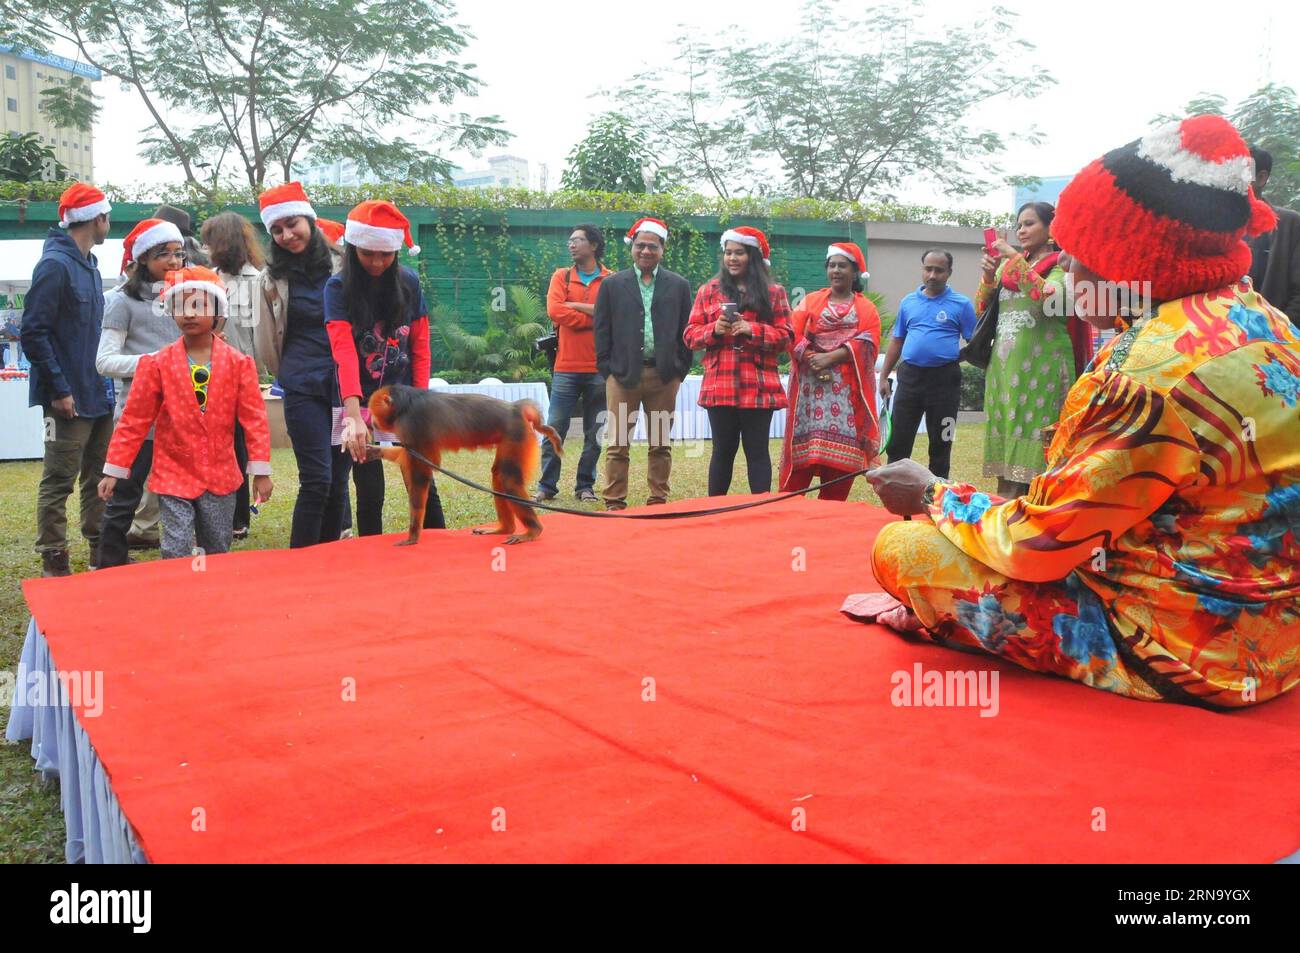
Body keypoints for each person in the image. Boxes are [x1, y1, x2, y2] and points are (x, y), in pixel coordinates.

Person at [863, 115, 1300, 708]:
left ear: (1124, 261)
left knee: (902, 549)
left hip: (1184, 649)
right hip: (1281, 638)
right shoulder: (1270, 324)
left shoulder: (1144, 373)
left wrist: (932, 493)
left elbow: (1037, 546)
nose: (1066, 270)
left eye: (1075, 254)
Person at [99, 267, 272, 559]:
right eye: (180, 305)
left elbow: (254, 419)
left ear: (218, 310)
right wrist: (114, 470)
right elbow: (133, 420)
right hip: (173, 472)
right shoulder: (157, 364)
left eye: (199, 305)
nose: (189, 313)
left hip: (221, 474)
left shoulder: (239, 363)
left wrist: (260, 471)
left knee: (216, 547)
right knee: (176, 547)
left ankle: (213, 599)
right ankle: (178, 600)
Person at [328, 200, 445, 535]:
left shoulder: (408, 283)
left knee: (420, 476)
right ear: (353, 249)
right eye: (367, 254)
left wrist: (422, 402)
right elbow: (343, 352)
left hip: (403, 396)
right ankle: (370, 556)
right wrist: (353, 414)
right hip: (359, 396)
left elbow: (421, 346)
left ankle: (439, 545)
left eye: (385, 254)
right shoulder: (337, 288)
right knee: (368, 487)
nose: (377, 262)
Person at [21, 183, 115, 577]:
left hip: (98, 393)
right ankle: (54, 558)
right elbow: (33, 332)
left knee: (101, 477)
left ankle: (100, 549)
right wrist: (59, 389)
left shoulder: (89, 264)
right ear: (97, 218)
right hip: (66, 397)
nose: (108, 222)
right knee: (59, 478)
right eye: (108, 216)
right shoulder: (55, 265)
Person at [252, 182, 347, 548]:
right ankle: (301, 562)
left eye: (292, 224)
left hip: (343, 387)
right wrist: (287, 374)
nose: (286, 235)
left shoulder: (343, 264)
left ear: (308, 218)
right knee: (317, 479)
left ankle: (330, 557)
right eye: (276, 230)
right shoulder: (271, 278)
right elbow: (266, 339)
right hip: (302, 385)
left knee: (339, 479)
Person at [94, 218, 185, 568]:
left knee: (180, 493)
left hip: (182, 413)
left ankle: (178, 561)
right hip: (139, 416)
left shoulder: (185, 294)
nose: (174, 262)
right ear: (144, 258)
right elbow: (104, 361)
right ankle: (109, 564)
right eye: (165, 254)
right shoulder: (121, 300)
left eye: (179, 254)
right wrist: (157, 362)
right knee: (125, 495)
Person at [683, 226, 793, 496]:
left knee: (757, 450)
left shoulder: (774, 292)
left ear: (752, 256)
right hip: (720, 385)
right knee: (722, 449)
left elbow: (788, 337)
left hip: (758, 384)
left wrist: (752, 329)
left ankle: (761, 510)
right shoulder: (708, 290)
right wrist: (714, 330)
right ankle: (715, 511)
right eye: (728, 252)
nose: (732, 258)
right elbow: (690, 336)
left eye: (739, 253)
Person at [593, 217, 693, 510]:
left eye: (653, 246)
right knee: (618, 443)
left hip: (664, 376)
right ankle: (614, 500)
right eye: (640, 245)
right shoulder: (612, 284)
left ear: (662, 249)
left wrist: (679, 369)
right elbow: (601, 330)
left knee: (660, 443)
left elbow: (686, 329)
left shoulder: (678, 285)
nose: (646, 251)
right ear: (632, 248)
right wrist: (607, 370)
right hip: (622, 377)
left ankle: (658, 499)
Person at [977, 202, 1074, 498]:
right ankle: (1005, 501)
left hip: (1042, 367)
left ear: (1051, 229)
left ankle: (1035, 505)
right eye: (1019, 224)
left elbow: (1050, 299)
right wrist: (989, 278)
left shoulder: (1062, 264)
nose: (1021, 230)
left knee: (1038, 434)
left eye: (1029, 223)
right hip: (1003, 370)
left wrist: (1013, 257)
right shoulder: (1009, 267)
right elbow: (981, 311)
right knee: (1007, 432)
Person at [778, 241, 880, 500]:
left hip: (845, 395)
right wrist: (812, 358)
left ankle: (830, 509)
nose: (836, 270)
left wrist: (832, 357)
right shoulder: (810, 301)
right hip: (808, 396)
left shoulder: (866, 308)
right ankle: (790, 509)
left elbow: (868, 341)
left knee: (839, 462)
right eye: (832, 265)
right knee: (802, 455)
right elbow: (792, 333)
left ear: (855, 272)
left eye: (842, 266)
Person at [878, 249, 976, 480]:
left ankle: (937, 498)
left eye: (939, 270)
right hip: (910, 378)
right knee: (899, 441)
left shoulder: (961, 304)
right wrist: (883, 377)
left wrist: (956, 358)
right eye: (928, 269)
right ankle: (897, 497)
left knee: (942, 439)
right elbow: (898, 340)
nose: (932, 275)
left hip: (945, 381)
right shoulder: (908, 302)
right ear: (922, 269)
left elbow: (974, 341)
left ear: (949, 273)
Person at [534, 224, 611, 504]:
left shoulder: (611, 279)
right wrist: (591, 317)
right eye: (569, 240)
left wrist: (574, 307)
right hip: (565, 367)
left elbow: (611, 315)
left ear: (593, 245)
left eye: (577, 240)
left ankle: (585, 486)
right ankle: (546, 485)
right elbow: (555, 310)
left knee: (595, 431)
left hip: (600, 369)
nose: (571, 245)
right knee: (554, 427)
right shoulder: (561, 276)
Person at [202, 211, 267, 540]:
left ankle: (239, 517)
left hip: (241, 375)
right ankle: (216, 513)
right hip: (208, 374)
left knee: (238, 447)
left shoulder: (257, 281)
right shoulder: (208, 279)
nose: (206, 247)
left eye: (210, 241)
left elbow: (260, 336)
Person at [1247, 145, 1300, 328]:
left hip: (1275, 345)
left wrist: (1276, 333)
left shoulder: (1290, 223)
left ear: (1260, 178)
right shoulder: (1215, 226)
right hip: (1219, 346)